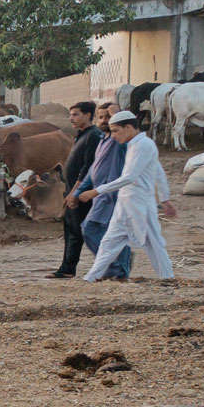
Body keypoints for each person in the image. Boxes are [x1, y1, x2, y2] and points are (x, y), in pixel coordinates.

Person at [80, 110, 177, 282]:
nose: (113, 136)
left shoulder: (143, 145)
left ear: (129, 127)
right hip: (126, 203)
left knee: (153, 243)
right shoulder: (135, 144)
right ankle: (90, 278)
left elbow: (130, 177)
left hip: (140, 204)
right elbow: (158, 172)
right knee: (109, 242)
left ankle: (168, 278)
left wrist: (97, 191)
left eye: (116, 131)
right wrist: (165, 199)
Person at [72, 102, 131, 280]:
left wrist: (115, 112)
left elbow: (125, 124)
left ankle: (116, 268)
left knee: (91, 229)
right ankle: (118, 268)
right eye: (101, 117)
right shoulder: (102, 141)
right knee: (108, 234)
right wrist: (78, 192)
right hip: (100, 197)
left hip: (113, 196)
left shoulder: (119, 141)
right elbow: (92, 171)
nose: (104, 121)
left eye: (108, 117)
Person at [49, 101, 104, 278]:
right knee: (73, 231)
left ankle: (111, 264)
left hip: (82, 194)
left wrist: (75, 192)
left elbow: (88, 167)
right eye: (70, 114)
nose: (71, 118)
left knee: (84, 231)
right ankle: (67, 269)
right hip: (73, 190)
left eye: (75, 114)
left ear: (88, 115)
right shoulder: (81, 135)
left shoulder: (93, 136)